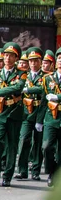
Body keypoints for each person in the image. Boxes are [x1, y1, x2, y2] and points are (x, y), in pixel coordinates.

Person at [0, 42, 26, 187]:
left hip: (14, 113)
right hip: (0, 113)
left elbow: (18, 87)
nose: (7, 58)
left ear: (16, 58)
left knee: (12, 146)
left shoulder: (21, 73)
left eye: (11, 56)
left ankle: (7, 175)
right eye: (6, 55)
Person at [16, 47, 45, 181]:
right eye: (31, 61)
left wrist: (27, 89)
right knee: (23, 140)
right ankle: (22, 170)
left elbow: (43, 89)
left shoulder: (45, 76)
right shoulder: (23, 75)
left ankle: (36, 170)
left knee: (37, 143)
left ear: (40, 61)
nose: (33, 63)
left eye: (36, 61)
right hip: (25, 114)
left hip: (39, 113)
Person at [36, 47, 61, 188]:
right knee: (46, 147)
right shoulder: (47, 79)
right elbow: (43, 102)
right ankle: (51, 172)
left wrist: (57, 97)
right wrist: (39, 120)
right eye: (59, 59)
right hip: (51, 117)